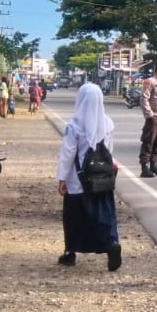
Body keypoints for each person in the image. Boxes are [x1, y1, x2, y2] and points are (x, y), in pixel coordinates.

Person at [54, 82, 121, 271]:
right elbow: (109, 150)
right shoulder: (107, 123)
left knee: (74, 217)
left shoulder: (74, 126)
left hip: (78, 180)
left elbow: (68, 154)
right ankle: (111, 243)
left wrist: (62, 178)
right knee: (104, 213)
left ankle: (70, 252)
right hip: (101, 179)